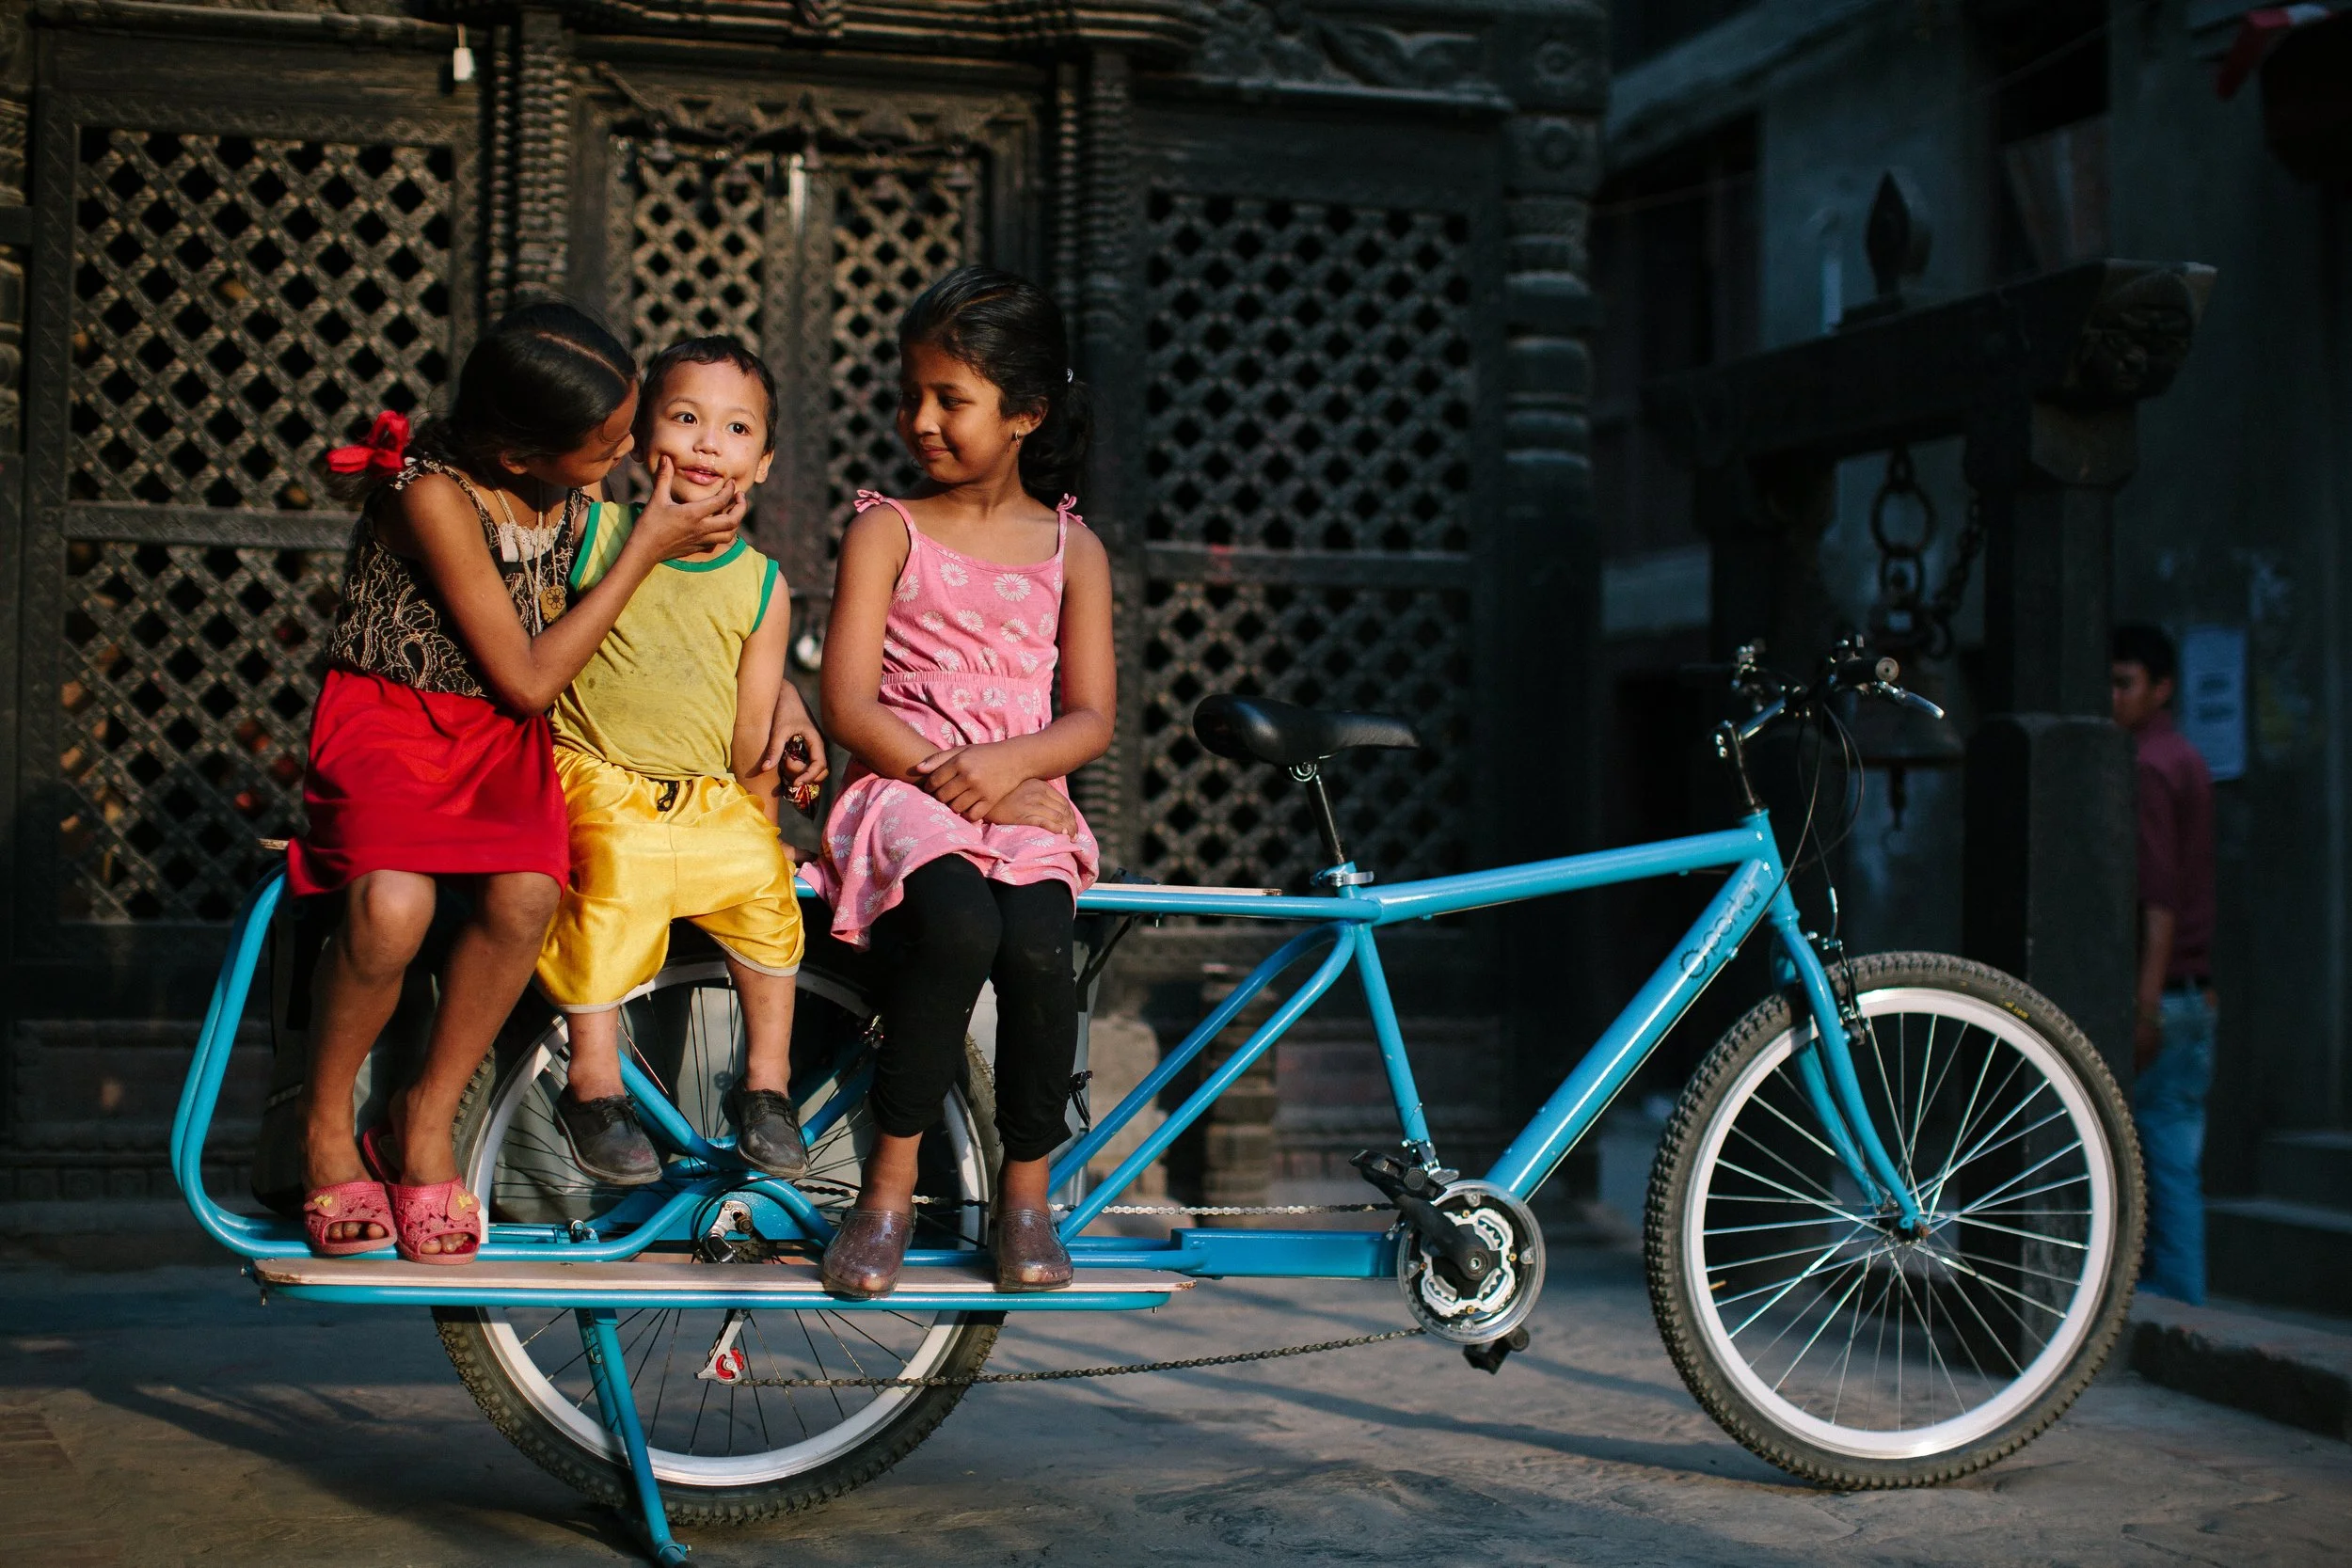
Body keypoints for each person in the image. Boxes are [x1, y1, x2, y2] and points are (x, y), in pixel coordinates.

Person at [293, 302, 745, 1263]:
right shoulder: (433, 497)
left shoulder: (574, 498)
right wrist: (645, 548)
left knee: (531, 890)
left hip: (495, 745)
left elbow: (689, 624)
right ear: (517, 452)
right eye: (606, 441)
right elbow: (532, 678)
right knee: (392, 907)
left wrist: (777, 699)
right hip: (395, 725)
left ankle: (425, 1116)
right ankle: (327, 1121)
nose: (628, 451)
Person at [805, 266, 1113, 1299]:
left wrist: (1008, 768)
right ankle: (886, 1187)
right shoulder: (885, 527)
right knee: (955, 928)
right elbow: (848, 703)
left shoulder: (1074, 551)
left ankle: (1024, 1193)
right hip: (898, 792)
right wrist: (952, 779)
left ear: (1025, 414)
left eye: (951, 399)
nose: (921, 419)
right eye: (912, 395)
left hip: (1019, 796)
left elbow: (1089, 715)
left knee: (1035, 944)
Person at [533, 336, 829, 1183]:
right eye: (686, 417)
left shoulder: (763, 585)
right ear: (641, 435)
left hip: (702, 792)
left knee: (769, 901)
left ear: (763, 463)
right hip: (598, 772)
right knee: (614, 879)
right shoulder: (595, 527)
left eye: (736, 429)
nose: (707, 443)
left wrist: (762, 821)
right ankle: (593, 1083)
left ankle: (766, 1089)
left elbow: (750, 741)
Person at [2114, 623, 2217, 1304]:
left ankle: (2181, 1308)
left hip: (2168, 996)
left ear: (2163, 688)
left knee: (2164, 1166)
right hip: (2195, 993)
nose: (2112, 696)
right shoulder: (2184, 757)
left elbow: (2158, 900)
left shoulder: (2151, 765)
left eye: (2125, 683)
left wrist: (2145, 1004)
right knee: (2170, 1158)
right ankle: (2176, 1299)